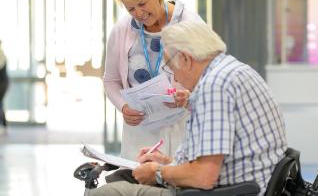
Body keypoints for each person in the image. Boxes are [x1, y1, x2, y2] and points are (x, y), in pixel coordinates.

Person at [88, 21, 288, 196]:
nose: (175, 77)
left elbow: (204, 177)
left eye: (172, 68)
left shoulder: (215, 86)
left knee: (108, 192)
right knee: (123, 176)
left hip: (224, 191)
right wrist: (168, 162)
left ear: (185, 58)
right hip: (244, 183)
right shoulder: (233, 71)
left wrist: (157, 171)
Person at [103, 0, 205, 160]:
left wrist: (190, 96)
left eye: (142, 4)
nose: (138, 13)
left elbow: (211, 76)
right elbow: (110, 80)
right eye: (130, 8)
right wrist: (123, 107)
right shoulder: (122, 29)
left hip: (183, 126)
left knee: (179, 185)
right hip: (140, 130)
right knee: (139, 187)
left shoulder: (190, 23)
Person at [0, 40, 9, 135]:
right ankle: (5, 125)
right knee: (0, 103)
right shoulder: (3, 54)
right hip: (5, 83)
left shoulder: (0, 55)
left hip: (1, 83)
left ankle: (4, 124)